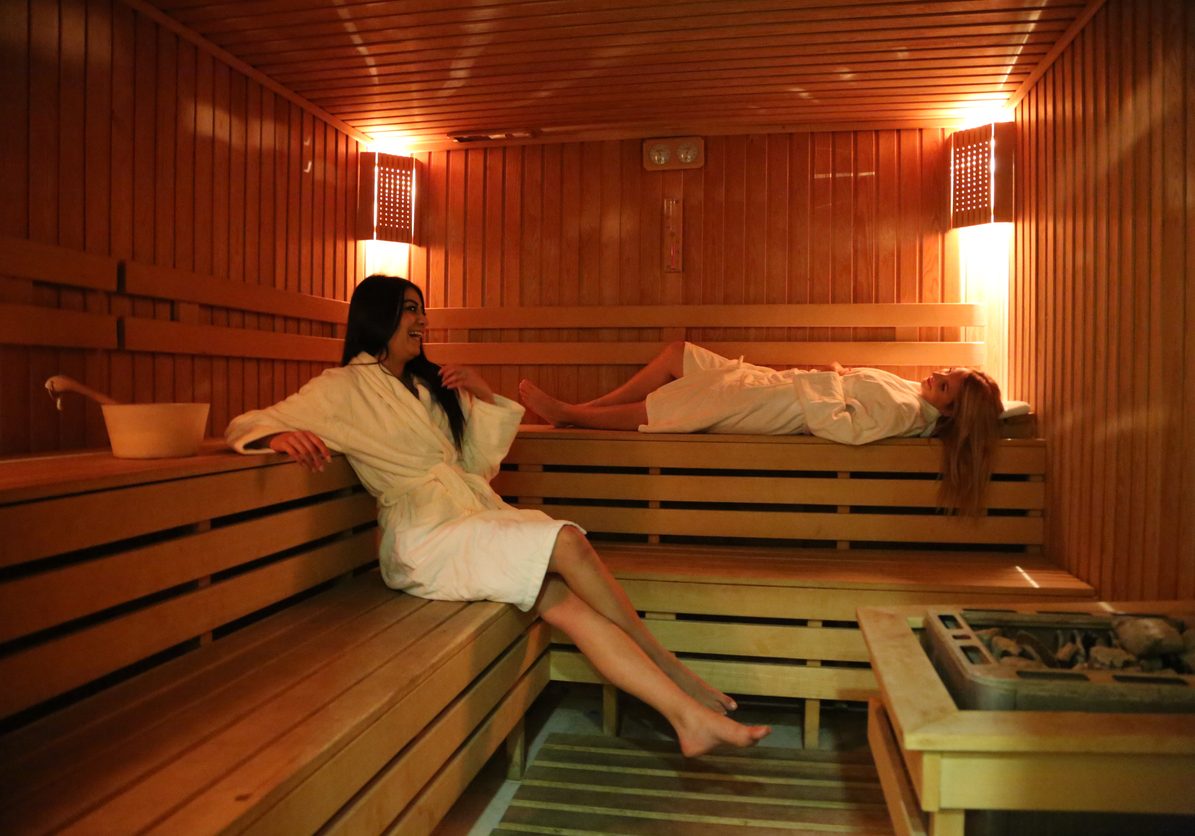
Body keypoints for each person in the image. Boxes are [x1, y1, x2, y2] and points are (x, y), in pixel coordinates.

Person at [225, 276, 770, 758]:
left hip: (466, 519)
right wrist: (276, 434)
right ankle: (671, 666)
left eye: (421, 310)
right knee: (565, 542)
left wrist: (482, 398)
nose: (422, 321)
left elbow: (477, 468)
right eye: (410, 309)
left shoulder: (425, 386)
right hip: (424, 540)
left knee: (566, 604)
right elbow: (244, 422)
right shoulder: (340, 388)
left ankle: (686, 718)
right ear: (378, 316)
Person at [519, 341, 1004, 515]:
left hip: (779, 408)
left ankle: (573, 416)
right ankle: (580, 410)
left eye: (945, 387)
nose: (936, 378)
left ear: (949, 413)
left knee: (686, 404)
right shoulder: (911, 398)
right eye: (945, 373)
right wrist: (834, 379)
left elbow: (840, 428)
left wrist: (827, 382)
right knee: (677, 355)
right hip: (779, 386)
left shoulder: (905, 414)